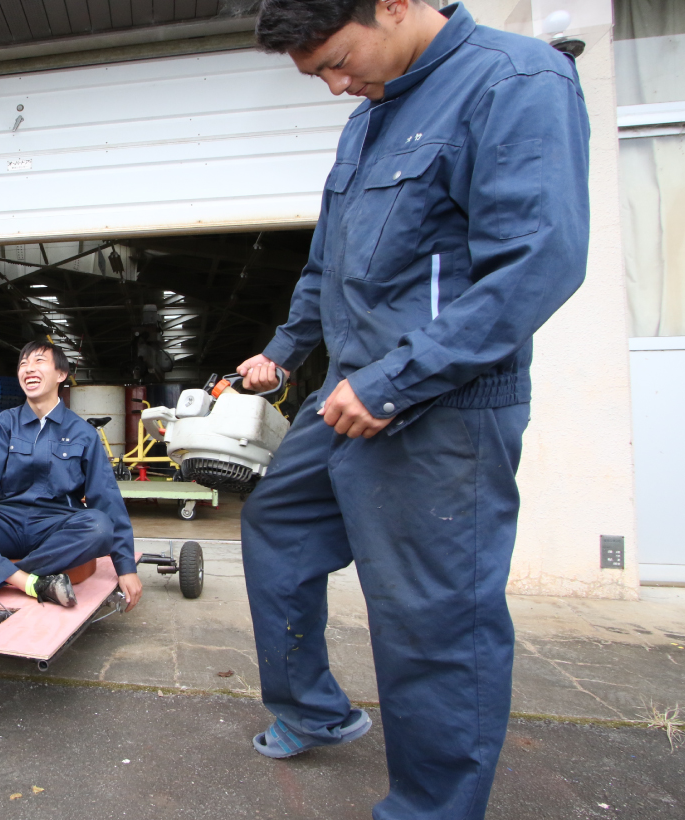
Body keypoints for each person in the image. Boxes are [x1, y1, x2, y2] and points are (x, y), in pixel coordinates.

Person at [236, 2, 589, 819]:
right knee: (278, 528)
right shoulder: (369, 118)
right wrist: (285, 352)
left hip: (442, 402)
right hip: (346, 390)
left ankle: (431, 809)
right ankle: (315, 708)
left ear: (392, 4)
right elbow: (328, 265)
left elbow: (541, 260)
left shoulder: (515, 81)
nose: (334, 85)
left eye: (335, 60)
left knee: (430, 617)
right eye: (317, 73)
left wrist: (399, 380)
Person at [0, 341, 142, 611]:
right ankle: (30, 582)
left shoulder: (82, 433)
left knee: (99, 527)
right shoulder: (4, 424)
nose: (29, 369)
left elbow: (107, 498)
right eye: (23, 364)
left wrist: (125, 566)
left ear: (61, 375)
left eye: (39, 361)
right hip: (7, 521)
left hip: (56, 525)